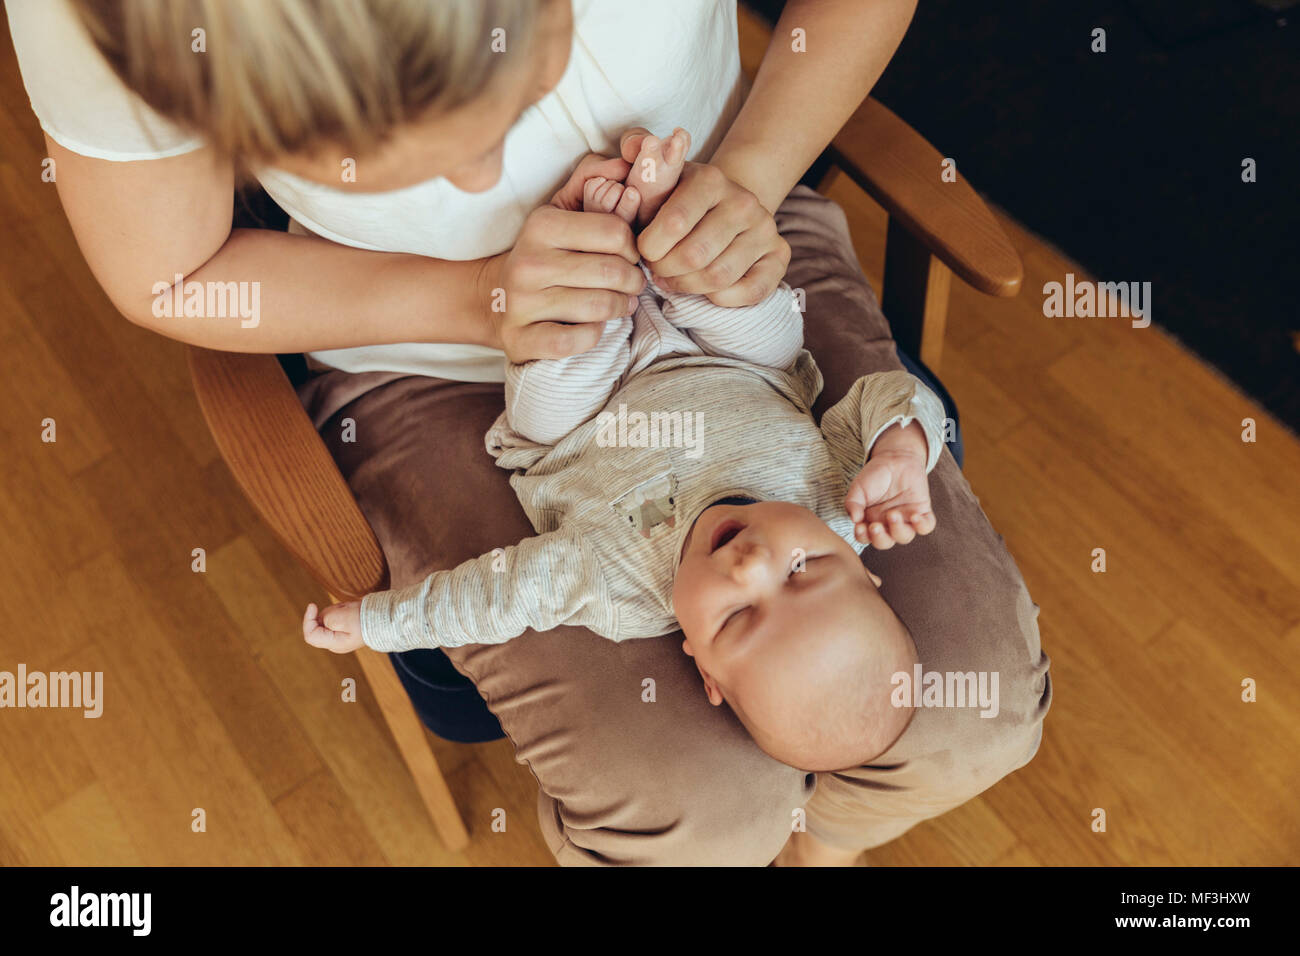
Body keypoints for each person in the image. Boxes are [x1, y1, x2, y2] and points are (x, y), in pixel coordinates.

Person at [7, 0, 1050, 865]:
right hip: (439, 355)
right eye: (377, 158)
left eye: (511, 94)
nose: (483, 183)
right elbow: (169, 273)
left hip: (718, 237)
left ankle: (825, 840)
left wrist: (749, 182)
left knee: (980, 713)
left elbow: (858, 404)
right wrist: (476, 302)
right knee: (687, 806)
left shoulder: (642, 561)